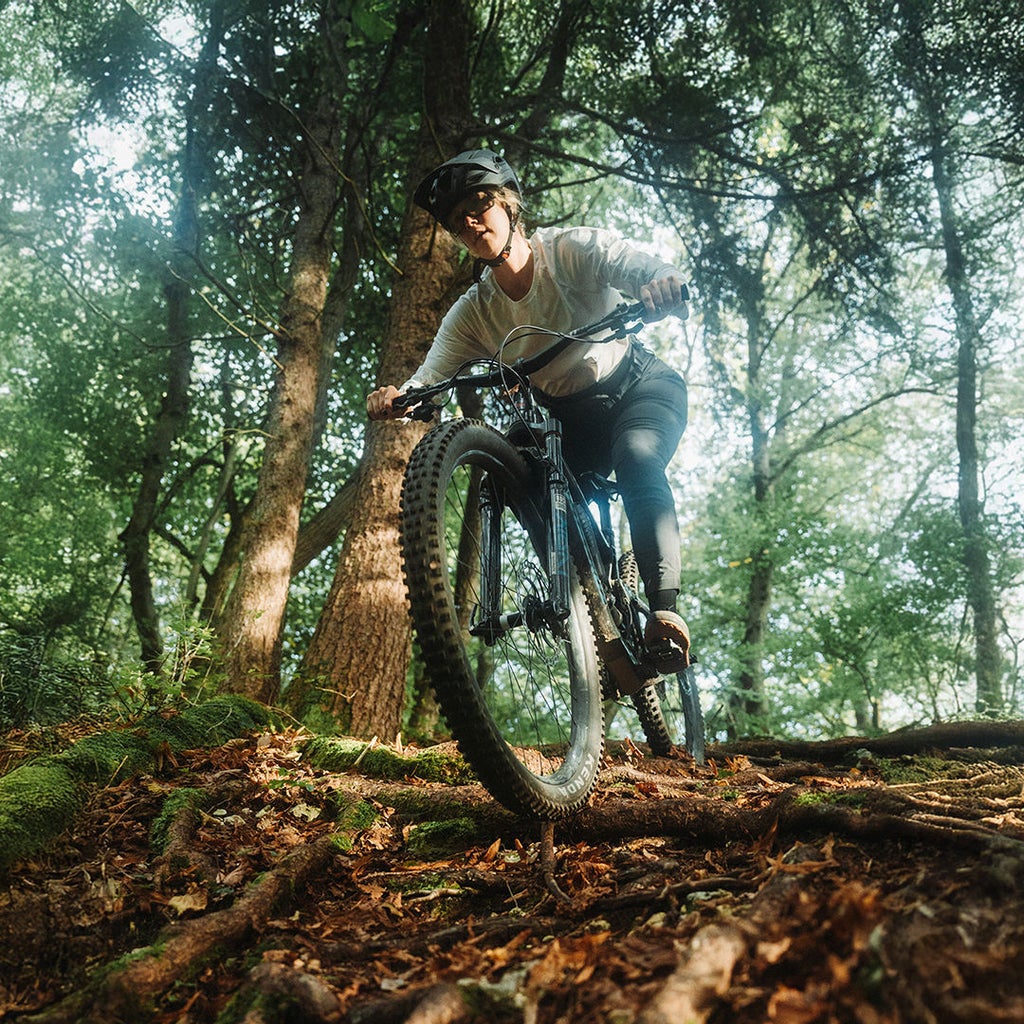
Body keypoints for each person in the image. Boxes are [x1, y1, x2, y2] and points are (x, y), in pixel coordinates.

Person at [367, 149, 691, 672]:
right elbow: (431, 377)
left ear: (510, 206)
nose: (470, 223)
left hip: (638, 389)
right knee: (519, 463)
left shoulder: (571, 251)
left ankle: (664, 612)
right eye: (457, 221)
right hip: (567, 422)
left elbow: (635, 265)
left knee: (636, 456)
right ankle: (593, 603)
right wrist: (400, 397)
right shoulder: (475, 310)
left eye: (480, 205)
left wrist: (662, 283)